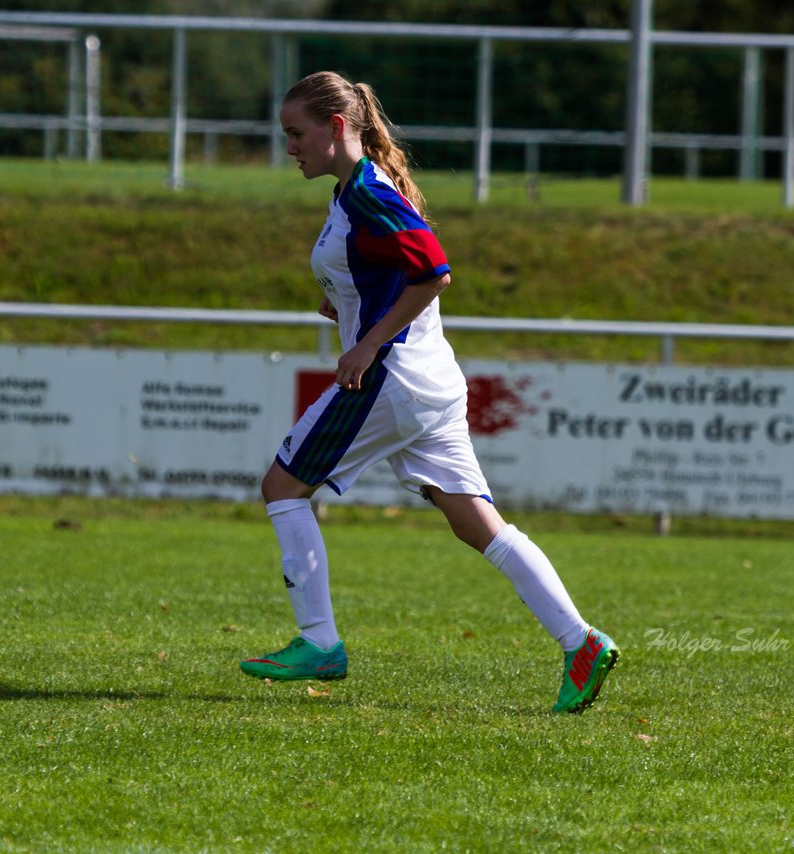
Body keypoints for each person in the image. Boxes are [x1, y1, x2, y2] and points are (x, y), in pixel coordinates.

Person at [239, 70, 618, 714]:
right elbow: (387, 273)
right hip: (430, 381)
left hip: (389, 377)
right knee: (476, 523)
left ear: (336, 128)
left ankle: (319, 641)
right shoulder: (354, 190)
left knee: (282, 487)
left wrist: (365, 341)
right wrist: (346, 307)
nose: (289, 147)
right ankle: (580, 642)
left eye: (296, 133)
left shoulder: (365, 193)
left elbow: (433, 271)